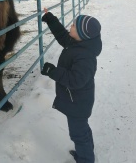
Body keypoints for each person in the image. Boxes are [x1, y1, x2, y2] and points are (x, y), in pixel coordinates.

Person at [41, 8, 102, 163]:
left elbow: (76, 81)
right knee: (83, 130)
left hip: (77, 102)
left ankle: (86, 159)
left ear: (82, 34)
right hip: (76, 100)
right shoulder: (78, 44)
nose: (70, 27)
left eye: (74, 26)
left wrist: (53, 72)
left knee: (78, 134)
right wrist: (50, 19)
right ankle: (87, 153)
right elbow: (62, 35)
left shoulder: (86, 57)